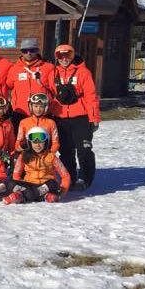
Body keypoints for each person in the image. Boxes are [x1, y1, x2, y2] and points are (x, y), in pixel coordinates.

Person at [50, 43, 100, 189]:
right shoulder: (52, 73)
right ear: (56, 57)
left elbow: (91, 96)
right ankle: (70, 178)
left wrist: (94, 118)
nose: (64, 59)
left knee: (84, 149)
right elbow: (49, 93)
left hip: (81, 117)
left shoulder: (83, 72)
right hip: (60, 117)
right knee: (66, 150)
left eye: (68, 55)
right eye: (60, 56)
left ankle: (85, 179)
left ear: (73, 56)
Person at [4, 126, 71, 204]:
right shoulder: (24, 155)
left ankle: (21, 196)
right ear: (29, 143)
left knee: (53, 184)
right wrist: (19, 187)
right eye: (34, 142)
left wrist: (62, 193)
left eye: (40, 142)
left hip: (46, 186)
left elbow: (65, 175)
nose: (37, 145)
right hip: (29, 185)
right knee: (9, 183)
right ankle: (44, 197)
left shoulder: (51, 156)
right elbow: (16, 174)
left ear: (46, 142)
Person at [6, 38, 55, 126]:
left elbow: (54, 89)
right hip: (20, 112)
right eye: (25, 51)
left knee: (42, 138)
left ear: (37, 51)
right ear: (21, 52)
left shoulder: (48, 67)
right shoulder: (14, 69)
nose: (28, 53)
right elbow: (8, 86)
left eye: (32, 50)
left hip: (42, 111)